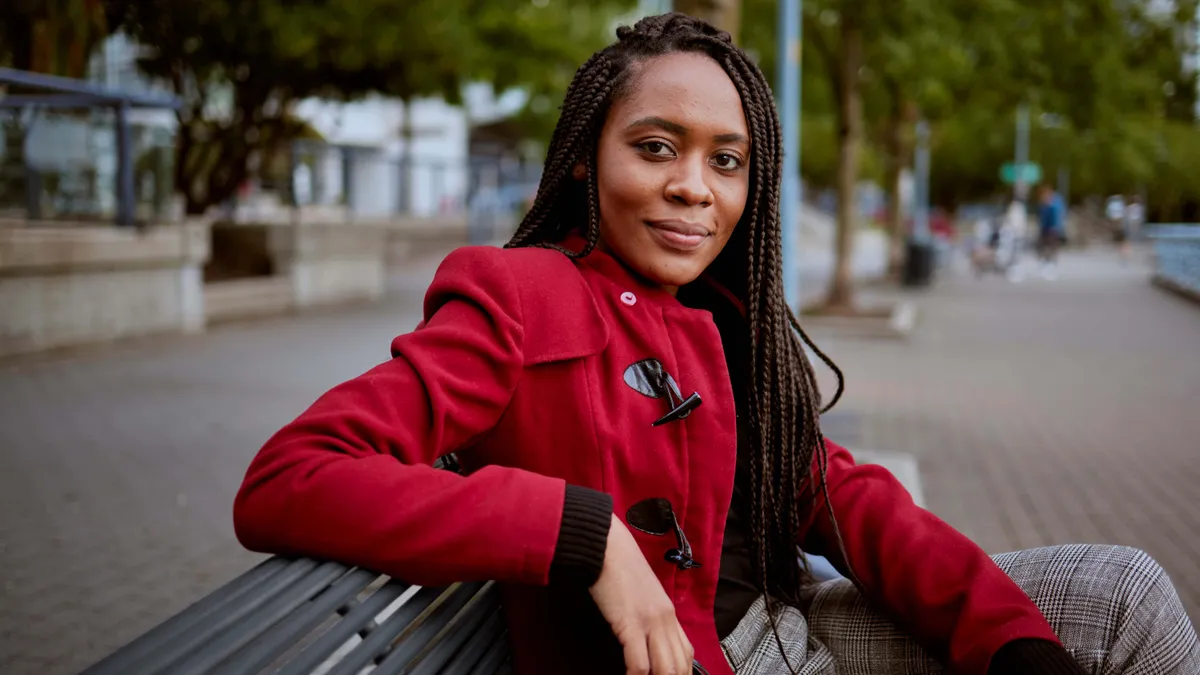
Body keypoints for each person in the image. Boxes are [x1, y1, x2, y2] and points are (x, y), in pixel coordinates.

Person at [232, 14, 1199, 675]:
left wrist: (1006, 643)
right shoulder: (519, 296)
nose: (696, 185)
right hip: (713, 655)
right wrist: (585, 535)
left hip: (796, 619)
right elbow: (291, 476)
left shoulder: (723, 310)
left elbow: (834, 491)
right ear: (584, 158)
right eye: (656, 146)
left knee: (1121, 596)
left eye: (726, 161)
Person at [1036, 185, 1066, 280]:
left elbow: (1057, 218)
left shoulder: (1053, 205)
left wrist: (1056, 228)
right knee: (1045, 248)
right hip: (1046, 229)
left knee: (1051, 248)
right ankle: (1046, 265)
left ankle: (1051, 265)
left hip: (1052, 230)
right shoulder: (1046, 205)